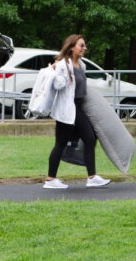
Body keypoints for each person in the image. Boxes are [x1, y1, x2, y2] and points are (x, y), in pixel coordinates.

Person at [43, 34, 111, 189]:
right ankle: (50, 180)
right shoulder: (62, 64)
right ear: (72, 46)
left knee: (88, 138)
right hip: (68, 109)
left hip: (77, 107)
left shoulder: (81, 64)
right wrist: (54, 72)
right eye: (81, 45)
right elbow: (59, 86)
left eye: (84, 45)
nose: (84, 48)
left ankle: (91, 177)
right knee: (63, 143)